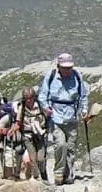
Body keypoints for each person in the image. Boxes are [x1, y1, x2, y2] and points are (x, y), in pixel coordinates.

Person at [38, 53, 90, 184]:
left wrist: (84, 111)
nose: (67, 70)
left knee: (71, 147)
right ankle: (59, 172)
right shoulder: (50, 77)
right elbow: (42, 96)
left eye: (69, 67)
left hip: (72, 116)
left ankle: (69, 173)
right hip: (56, 117)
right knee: (60, 144)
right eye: (64, 68)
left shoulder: (77, 76)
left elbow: (83, 96)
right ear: (58, 66)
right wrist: (45, 108)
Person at [12, 86, 46, 182]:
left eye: (30, 98)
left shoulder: (40, 105)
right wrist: (13, 130)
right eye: (26, 98)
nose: (28, 101)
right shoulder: (21, 108)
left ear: (33, 97)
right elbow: (18, 122)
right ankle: (36, 177)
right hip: (28, 136)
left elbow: (46, 116)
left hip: (40, 135)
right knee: (32, 159)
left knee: (41, 159)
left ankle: (43, 173)